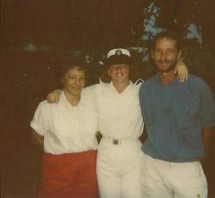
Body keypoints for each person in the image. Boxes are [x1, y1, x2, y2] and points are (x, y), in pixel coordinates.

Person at [47, 47, 188, 198]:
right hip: (106, 153)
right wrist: (58, 92)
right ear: (109, 71)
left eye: (123, 66)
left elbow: (165, 87)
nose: (119, 70)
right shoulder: (97, 91)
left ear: (129, 69)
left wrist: (178, 65)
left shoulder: (142, 90)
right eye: (114, 66)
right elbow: (74, 91)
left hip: (132, 153)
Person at [139, 30, 215, 198]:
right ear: (152, 54)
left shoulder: (197, 86)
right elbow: (147, 125)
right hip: (153, 166)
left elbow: (209, 128)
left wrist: (200, 160)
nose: (163, 56)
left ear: (179, 54)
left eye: (169, 51)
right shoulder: (146, 88)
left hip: (187, 168)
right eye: (159, 51)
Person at [30, 59, 99, 198]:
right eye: (72, 77)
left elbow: (97, 133)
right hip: (57, 166)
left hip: (87, 165)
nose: (77, 82)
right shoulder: (47, 106)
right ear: (62, 79)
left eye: (81, 78)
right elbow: (35, 135)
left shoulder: (93, 104)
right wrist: (53, 147)